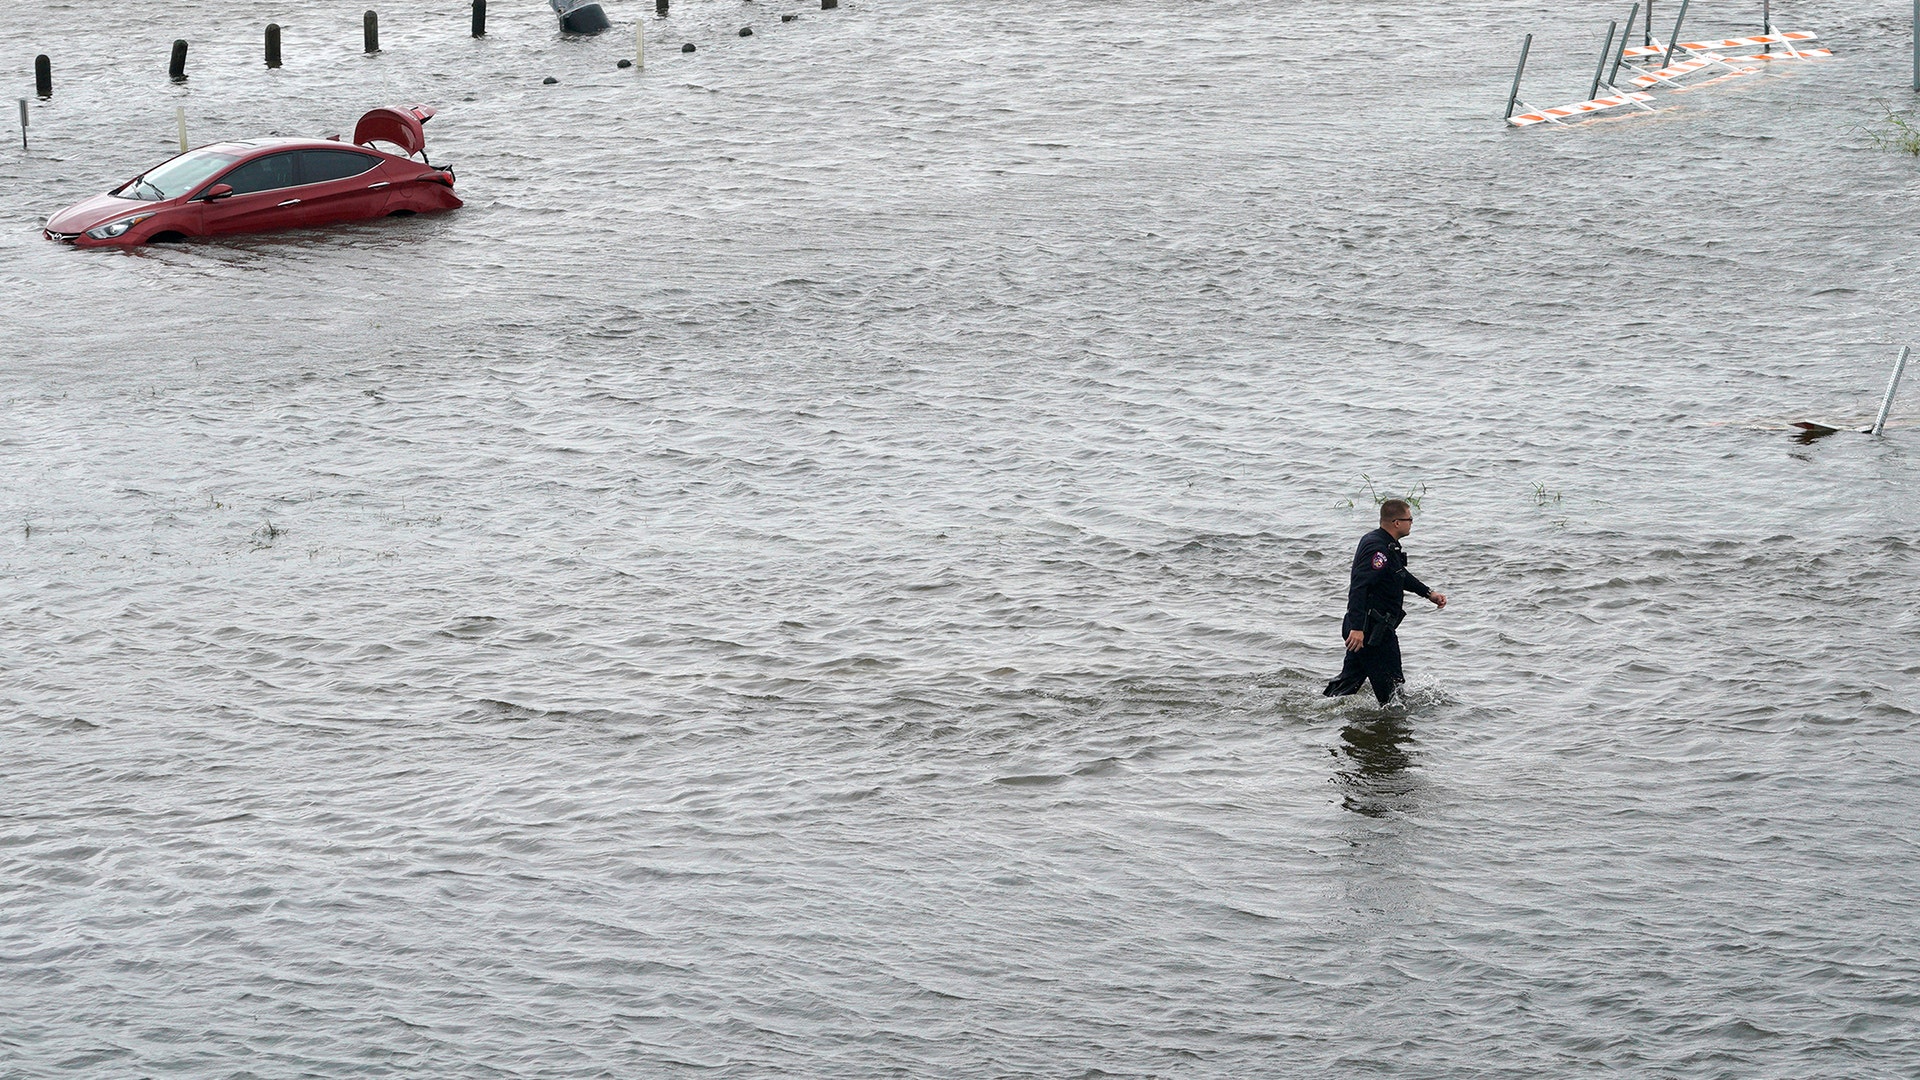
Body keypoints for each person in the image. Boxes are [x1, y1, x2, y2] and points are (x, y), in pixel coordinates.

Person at [1323, 499, 1446, 704]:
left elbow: (1399, 574)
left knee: (1347, 685)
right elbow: (1359, 587)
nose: (1412, 523)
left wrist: (1428, 593)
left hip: (1368, 630)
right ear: (1397, 522)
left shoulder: (1387, 545)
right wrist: (1357, 628)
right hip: (1371, 632)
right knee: (1393, 694)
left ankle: (1318, 714)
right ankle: (1394, 731)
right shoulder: (1376, 549)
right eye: (1410, 519)